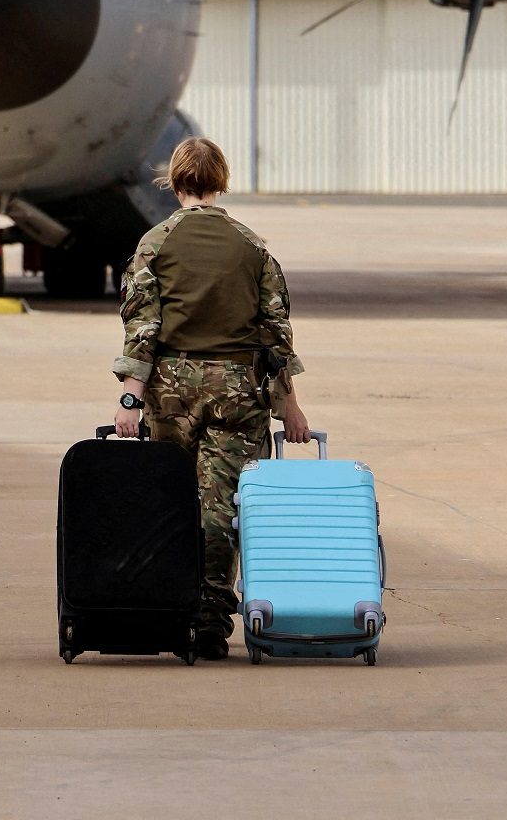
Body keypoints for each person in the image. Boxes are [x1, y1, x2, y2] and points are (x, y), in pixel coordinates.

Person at [111, 135, 310, 660]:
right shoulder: (252, 246)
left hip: (170, 393)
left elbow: (142, 329)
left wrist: (132, 399)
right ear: (220, 180)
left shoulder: (154, 243)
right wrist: (289, 405)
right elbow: (275, 335)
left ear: (173, 181)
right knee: (222, 507)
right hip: (237, 392)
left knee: (171, 501)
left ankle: (168, 607)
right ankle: (210, 620)